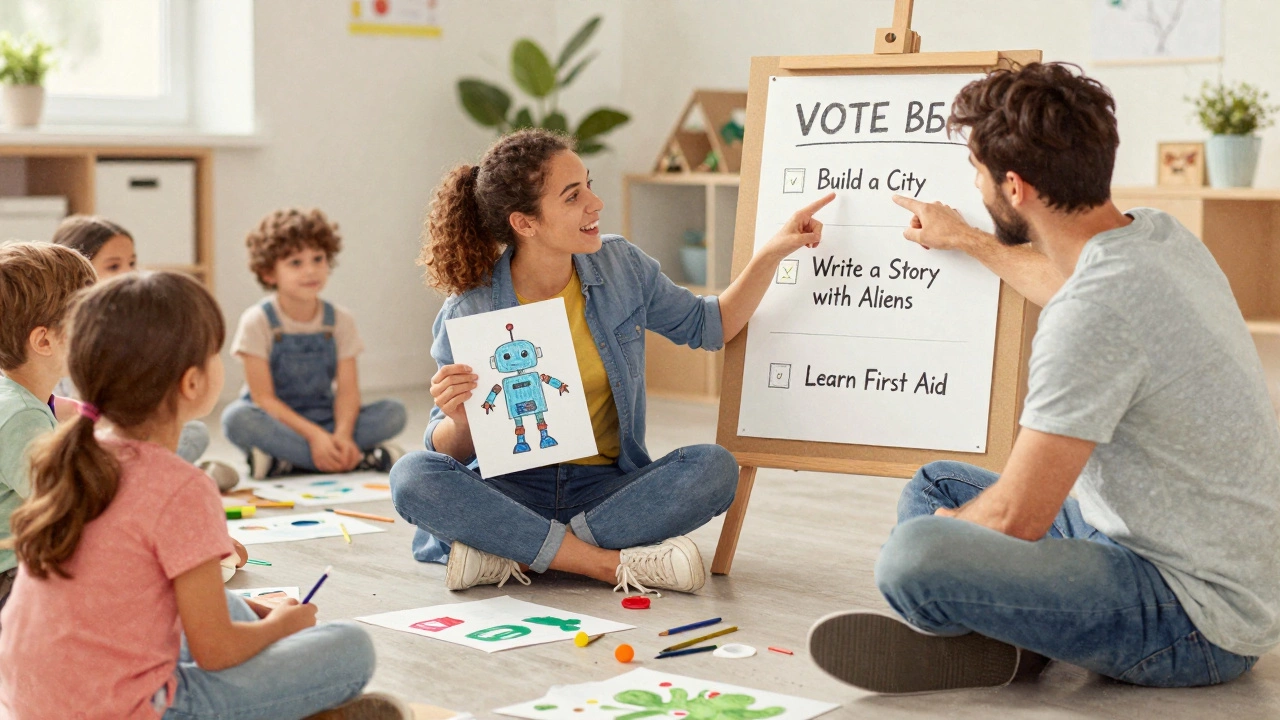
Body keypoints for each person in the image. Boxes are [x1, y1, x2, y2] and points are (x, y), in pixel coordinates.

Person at [808, 62, 1280, 693]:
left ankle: (1013, 639)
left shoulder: (1092, 315)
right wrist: (969, 240)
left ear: (1015, 186)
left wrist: (949, 540)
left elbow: (1018, 519)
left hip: (1196, 617)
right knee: (937, 483)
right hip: (1173, 547)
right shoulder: (1158, 238)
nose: (973, 185)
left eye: (976, 171)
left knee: (912, 555)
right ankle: (1022, 643)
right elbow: (1069, 287)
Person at [390, 128, 834, 594]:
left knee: (715, 468)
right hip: (513, 491)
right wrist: (460, 420)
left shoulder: (622, 266)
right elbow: (446, 452)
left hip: (603, 491)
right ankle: (603, 564)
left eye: (590, 185)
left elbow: (711, 325)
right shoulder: (470, 309)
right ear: (525, 223)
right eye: (573, 196)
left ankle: (512, 552)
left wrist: (772, 252)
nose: (595, 204)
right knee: (412, 476)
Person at [0, 271, 411, 719]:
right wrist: (278, 628)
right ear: (192, 383)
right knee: (350, 649)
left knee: (230, 604)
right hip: (124, 709)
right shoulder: (181, 485)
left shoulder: (72, 454)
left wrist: (255, 616)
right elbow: (216, 651)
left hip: (27, 700)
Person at [51, 215, 239, 491]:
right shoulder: (69, 336)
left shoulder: (133, 328)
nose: (129, 274)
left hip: (125, 432)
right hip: (84, 440)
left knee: (193, 433)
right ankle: (168, 475)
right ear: (78, 273)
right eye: (114, 266)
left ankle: (160, 474)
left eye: (131, 263)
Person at [221, 208, 408, 479]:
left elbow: (347, 392)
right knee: (235, 420)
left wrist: (342, 434)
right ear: (269, 273)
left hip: (326, 417)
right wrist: (316, 437)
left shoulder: (340, 320)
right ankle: (360, 458)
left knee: (394, 413)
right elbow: (263, 399)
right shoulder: (257, 321)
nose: (310, 270)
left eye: (318, 259)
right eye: (295, 263)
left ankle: (285, 462)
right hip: (277, 420)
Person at [0, 242, 95, 623]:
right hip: (10, 581)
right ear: (43, 341)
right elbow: (67, 510)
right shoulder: (22, 415)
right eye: (89, 319)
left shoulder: (19, 398)